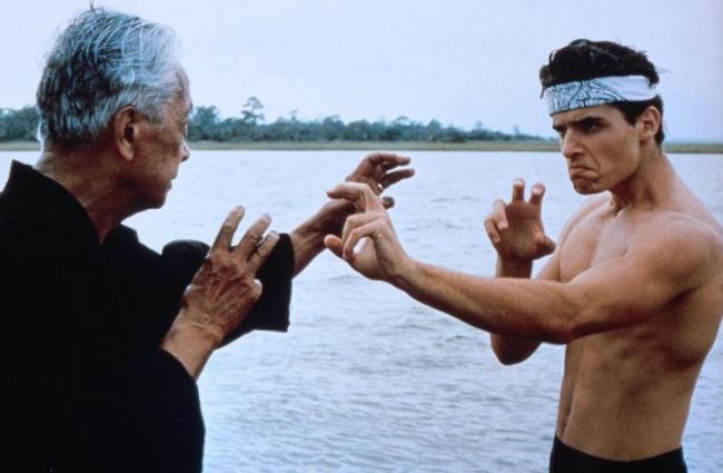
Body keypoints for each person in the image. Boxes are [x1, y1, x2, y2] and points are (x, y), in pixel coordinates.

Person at [0, 8, 413, 472]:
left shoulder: (83, 244)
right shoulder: (21, 275)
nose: (186, 151)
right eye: (183, 125)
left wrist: (323, 227)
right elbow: (114, 451)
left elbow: (206, 287)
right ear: (129, 131)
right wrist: (198, 329)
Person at [324, 39, 723, 472]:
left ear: (647, 123)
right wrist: (515, 264)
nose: (569, 148)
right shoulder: (591, 218)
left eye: (590, 126)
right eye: (561, 131)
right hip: (563, 459)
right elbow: (510, 347)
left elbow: (567, 314)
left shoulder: (685, 237)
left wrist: (404, 270)